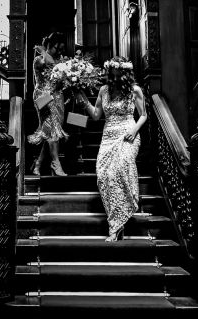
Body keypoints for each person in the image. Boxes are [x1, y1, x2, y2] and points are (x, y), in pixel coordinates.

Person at [76, 56, 147, 241]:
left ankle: (115, 227)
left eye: (117, 76)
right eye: (112, 76)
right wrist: (83, 100)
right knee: (103, 175)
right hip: (108, 136)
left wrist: (134, 129)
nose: (114, 80)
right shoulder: (103, 90)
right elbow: (96, 115)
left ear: (124, 75)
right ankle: (116, 220)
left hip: (127, 133)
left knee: (121, 167)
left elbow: (144, 115)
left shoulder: (135, 90)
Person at [27, 32, 68, 176]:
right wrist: (44, 51)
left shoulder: (59, 61)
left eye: (62, 50)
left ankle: (37, 164)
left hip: (57, 97)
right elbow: (49, 64)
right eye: (57, 49)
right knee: (51, 128)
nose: (59, 52)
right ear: (50, 45)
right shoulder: (39, 59)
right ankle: (56, 164)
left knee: (52, 130)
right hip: (43, 96)